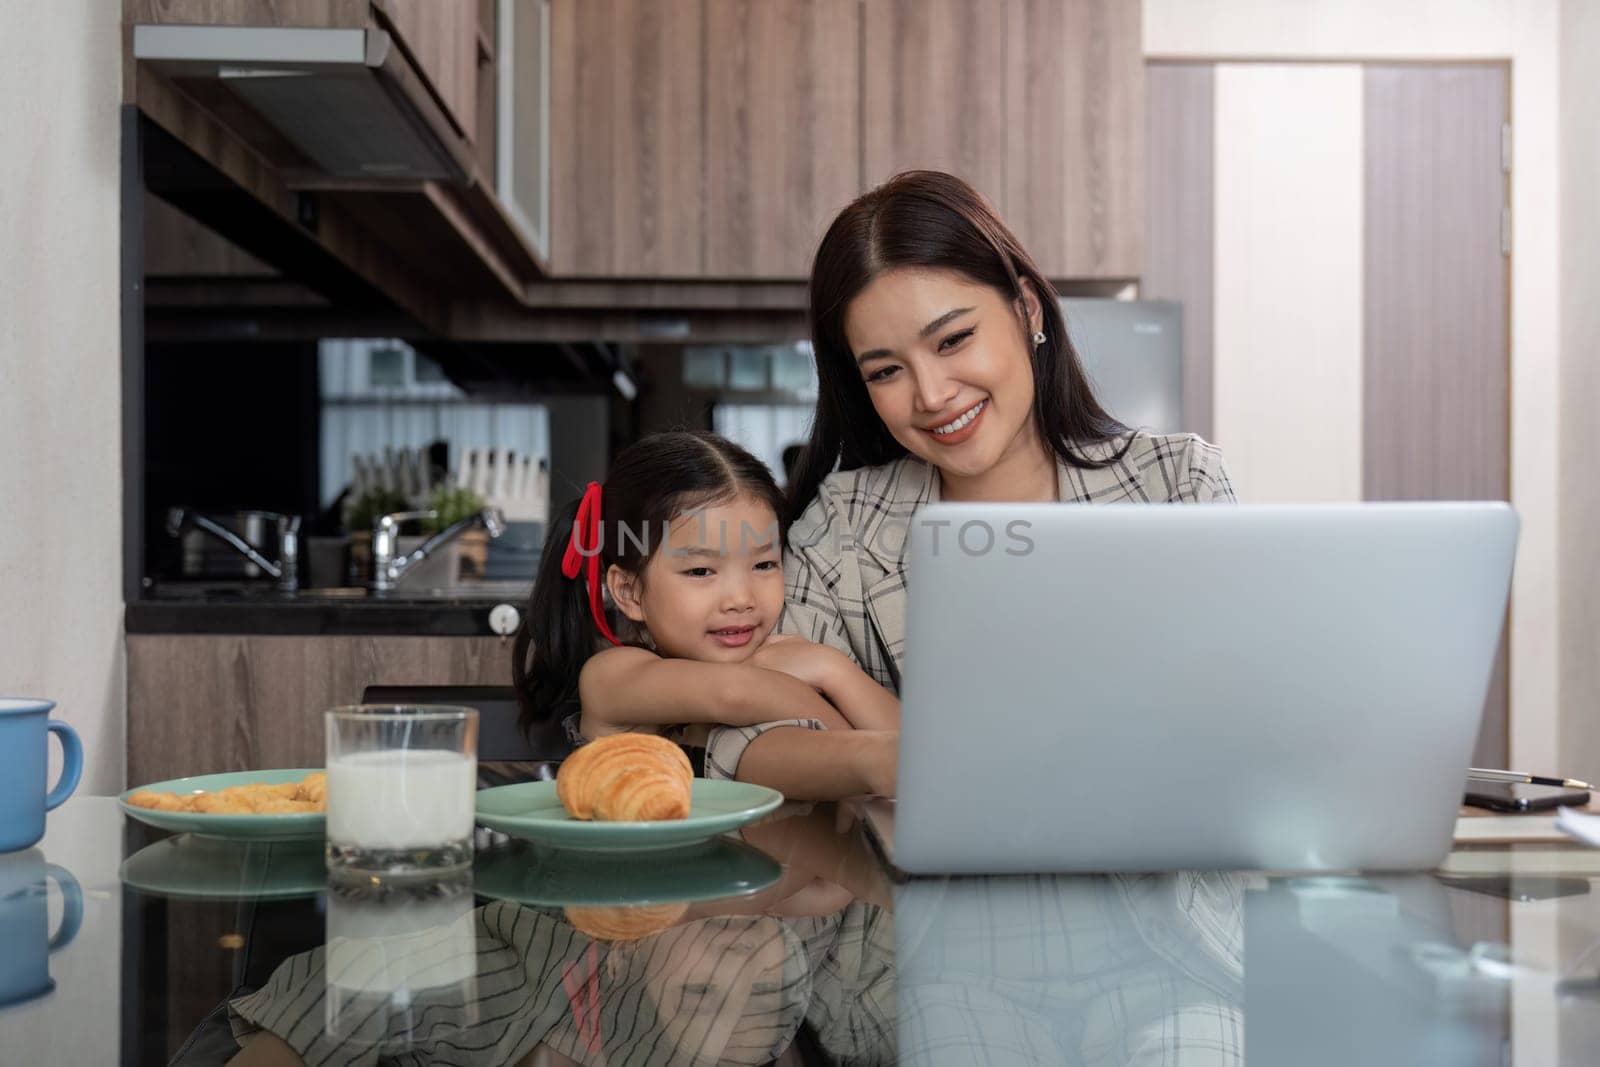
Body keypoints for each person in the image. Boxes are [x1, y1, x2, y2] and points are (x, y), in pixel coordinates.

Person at [727, 169, 1236, 792]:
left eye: (954, 339)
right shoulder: (847, 524)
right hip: (910, 890)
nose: (933, 396)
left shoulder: (1177, 486)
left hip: (1145, 883)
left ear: (1026, 309)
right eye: (887, 371)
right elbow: (747, 746)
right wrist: (872, 747)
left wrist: (849, 691)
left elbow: (1235, 729)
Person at [511, 430, 899, 799]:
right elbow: (734, 694)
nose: (741, 598)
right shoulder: (612, 674)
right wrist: (831, 681)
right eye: (700, 571)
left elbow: (911, 746)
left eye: (764, 564)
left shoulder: (777, 659)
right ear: (629, 591)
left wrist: (836, 670)